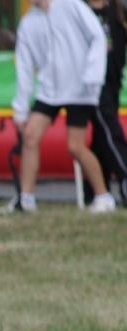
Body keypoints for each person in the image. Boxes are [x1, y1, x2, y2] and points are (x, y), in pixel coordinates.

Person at [3, 0, 115, 214]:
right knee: (30, 136)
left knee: (75, 146)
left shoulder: (70, 5)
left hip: (80, 88)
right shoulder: (28, 23)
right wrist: (21, 109)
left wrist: (92, 74)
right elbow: (25, 67)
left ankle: (103, 196)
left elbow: (97, 36)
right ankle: (26, 199)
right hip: (50, 91)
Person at [86, 0, 127, 202]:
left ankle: (93, 191)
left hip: (113, 82)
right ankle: (124, 175)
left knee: (101, 135)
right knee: (110, 129)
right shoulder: (82, 11)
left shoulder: (118, 11)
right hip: (94, 83)